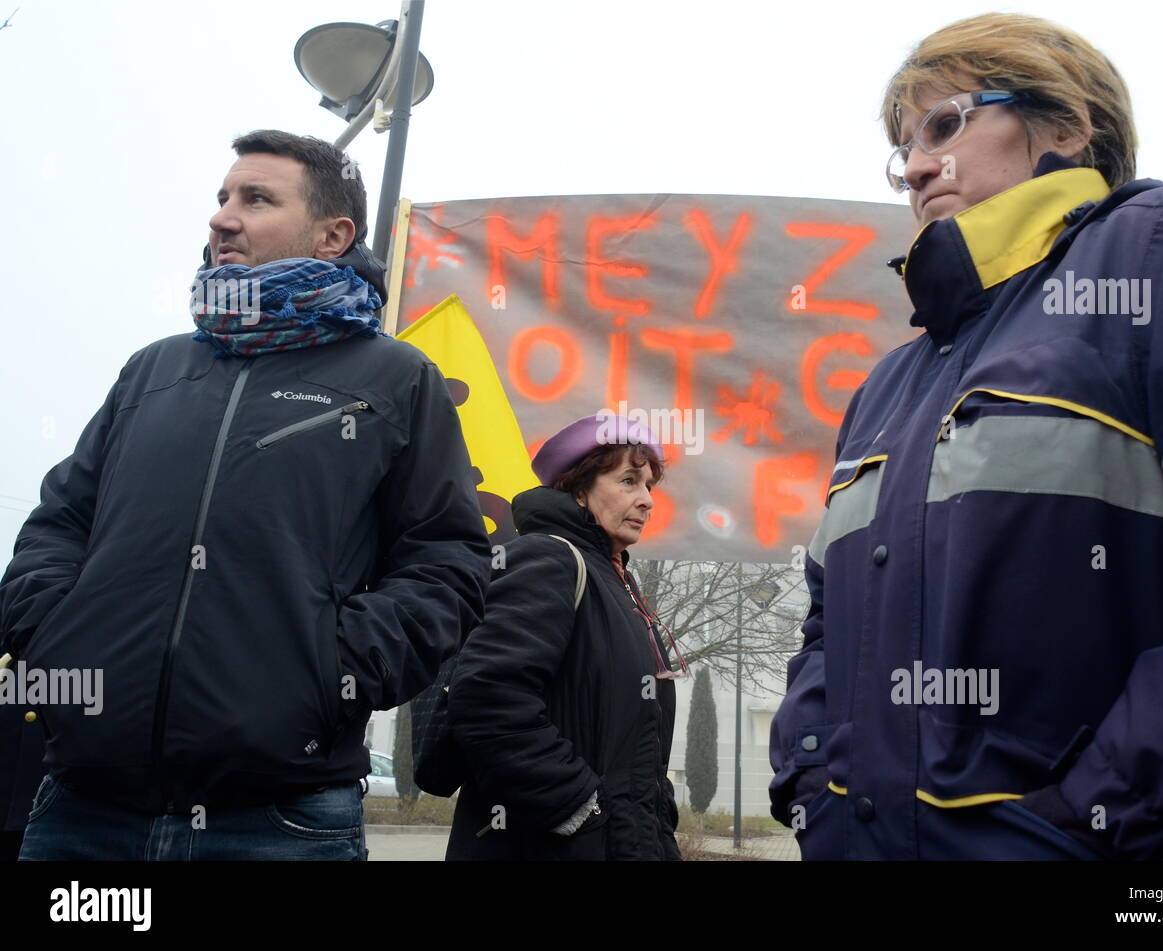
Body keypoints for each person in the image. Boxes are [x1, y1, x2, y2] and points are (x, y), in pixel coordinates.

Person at [769, 13, 1163, 860]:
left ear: (1064, 126)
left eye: (945, 124)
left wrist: (1111, 809)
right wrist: (810, 778)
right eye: (903, 146)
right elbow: (827, 624)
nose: (913, 167)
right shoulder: (886, 384)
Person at [0, 130, 491, 861]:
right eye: (223, 197)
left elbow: (446, 562)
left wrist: (332, 673)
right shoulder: (153, 370)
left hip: (280, 820)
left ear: (334, 235)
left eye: (255, 199)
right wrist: (54, 633)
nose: (222, 217)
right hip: (83, 810)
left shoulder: (396, 379)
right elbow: (59, 525)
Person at [447, 415, 686, 860]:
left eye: (650, 485)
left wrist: (658, 822)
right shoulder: (549, 559)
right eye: (629, 481)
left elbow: (637, 743)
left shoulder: (619, 584)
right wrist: (580, 811)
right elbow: (486, 699)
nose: (646, 500)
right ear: (578, 489)